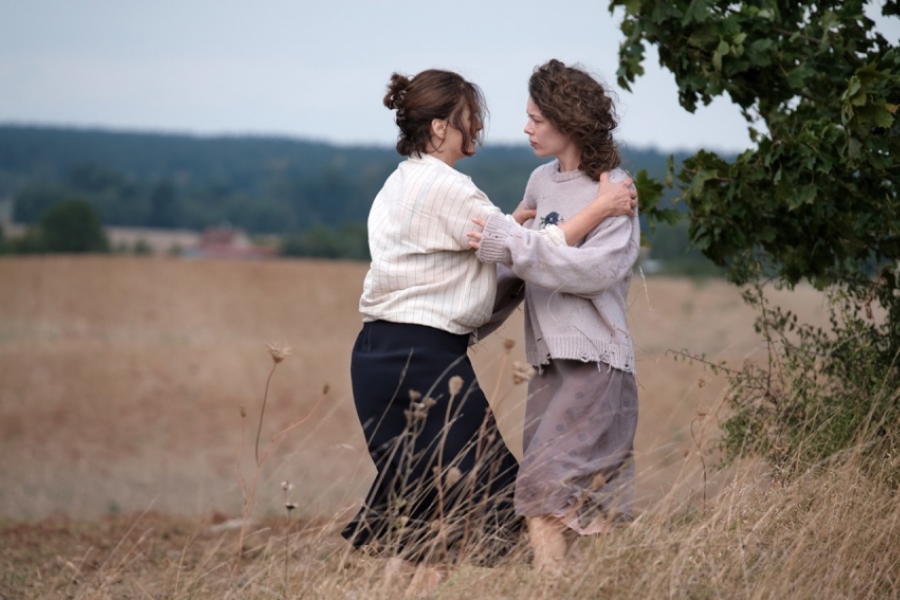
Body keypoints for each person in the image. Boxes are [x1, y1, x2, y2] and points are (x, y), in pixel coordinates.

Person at [340, 68, 636, 586]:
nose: (479, 124)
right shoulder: (454, 190)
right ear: (439, 128)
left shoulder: (397, 183)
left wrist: (518, 221)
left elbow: (502, 256)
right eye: (467, 115)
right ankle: (565, 588)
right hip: (425, 358)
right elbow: (528, 256)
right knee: (495, 499)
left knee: (426, 516)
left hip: (376, 356)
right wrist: (597, 209)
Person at [468, 59, 640, 572]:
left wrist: (509, 241)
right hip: (548, 366)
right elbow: (522, 267)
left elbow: (592, 271)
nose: (526, 128)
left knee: (543, 490)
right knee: (564, 501)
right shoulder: (541, 182)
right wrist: (462, 324)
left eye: (536, 118)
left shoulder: (615, 187)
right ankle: (599, 580)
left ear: (567, 119)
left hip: (596, 363)